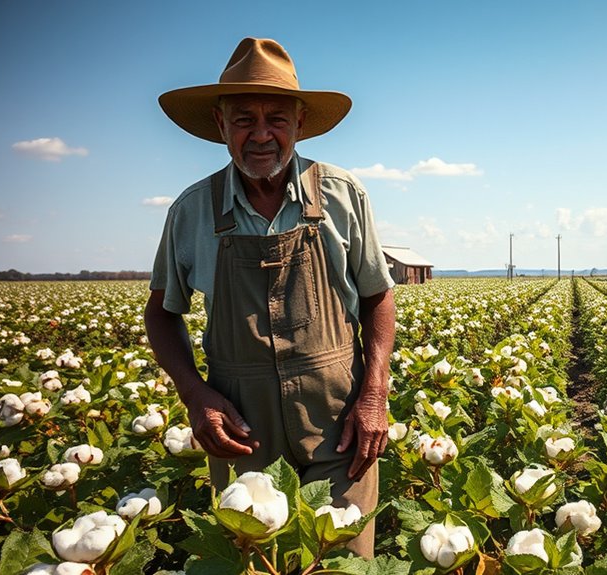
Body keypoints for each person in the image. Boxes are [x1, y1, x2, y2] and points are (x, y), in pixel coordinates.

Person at [145, 37, 395, 558]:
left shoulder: (343, 195)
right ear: (221, 125)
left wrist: (374, 393)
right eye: (244, 119)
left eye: (276, 119)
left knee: (341, 561)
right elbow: (162, 313)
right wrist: (194, 394)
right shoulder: (192, 211)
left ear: (299, 123)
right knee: (253, 561)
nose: (261, 134)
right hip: (240, 431)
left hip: (338, 424)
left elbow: (377, 297)